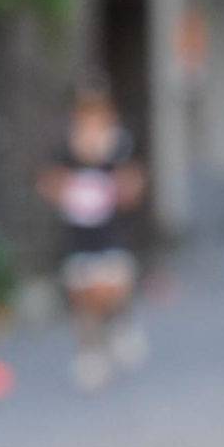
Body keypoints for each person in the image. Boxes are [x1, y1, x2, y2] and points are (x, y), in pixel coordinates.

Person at [38, 86, 148, 391]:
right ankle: (90, 354)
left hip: (111, 229)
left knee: (113, 287)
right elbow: (49, 181)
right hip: (78, 231)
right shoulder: (65, 144)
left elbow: (134, 183)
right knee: (83, 295)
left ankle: (119, 322)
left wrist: (119, 187)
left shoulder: (120, 143)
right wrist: (67, 188)